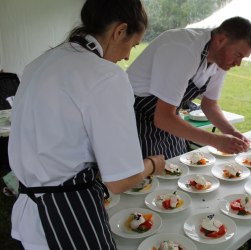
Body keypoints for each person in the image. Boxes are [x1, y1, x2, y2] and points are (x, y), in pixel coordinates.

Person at [8, 0, 165, 249]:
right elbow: (120, 181)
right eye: (132, 46)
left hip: (29, 211)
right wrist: (152, 164)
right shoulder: (106, 76)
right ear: (120, 31)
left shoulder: (39, 63)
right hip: (66, 213)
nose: (126, 56)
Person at [127, 16, 251, 159]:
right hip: (134, 118)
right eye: (238, 55)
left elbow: (210, 105)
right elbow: (163, 118)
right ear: (221, 39)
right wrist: (215, 140)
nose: (238, 63)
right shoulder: (184, 49)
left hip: (168, 118)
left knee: (178, 168)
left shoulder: (220, 60)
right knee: (145, 176)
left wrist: (232, 133)